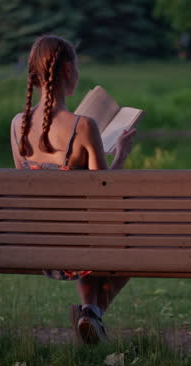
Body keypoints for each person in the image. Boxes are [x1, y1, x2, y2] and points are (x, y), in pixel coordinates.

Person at [10, 34, 136, 345]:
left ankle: (88, 313)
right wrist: (119, 154)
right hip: (79, 242)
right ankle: (92, 312)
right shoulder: (83, 126)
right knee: (129, 244)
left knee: (85, 231)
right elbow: (103, 192)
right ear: (68, 71)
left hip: (41, 244)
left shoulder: (17, 125)